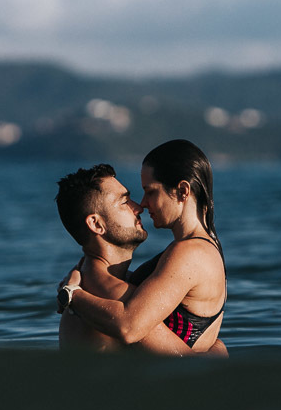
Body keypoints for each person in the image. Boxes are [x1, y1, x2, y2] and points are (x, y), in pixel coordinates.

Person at [57, 140, 226, 352]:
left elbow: (130, 326)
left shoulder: (189, 253)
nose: (141, 205)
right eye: (124, 202)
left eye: (150, 191)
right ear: (96, 224)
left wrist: (71, 295)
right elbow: (131, 327)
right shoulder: (95, 283)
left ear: (183, 191)